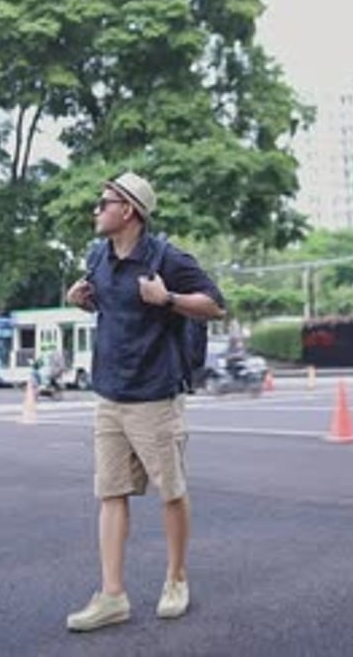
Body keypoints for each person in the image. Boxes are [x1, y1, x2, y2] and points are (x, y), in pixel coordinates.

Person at [65, 171, 225, 632]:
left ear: (129, 211)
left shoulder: (166, 258)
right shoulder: (98, 256)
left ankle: (176, 579)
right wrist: (80, 300)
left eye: (104, 203)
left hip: (155, 396)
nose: (96, 210)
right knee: (111, 492)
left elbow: (215, 305)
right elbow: (110, 307)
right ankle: (112, 596)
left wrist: (167, 297)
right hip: (109, 393)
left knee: (170, 491)